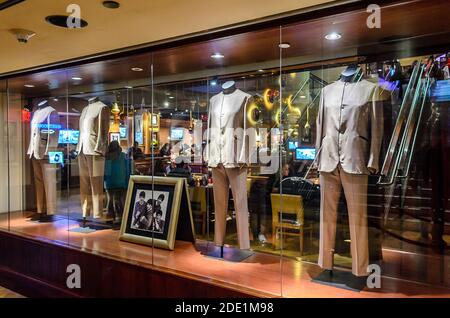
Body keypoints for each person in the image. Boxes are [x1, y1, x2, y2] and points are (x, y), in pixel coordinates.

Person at [104, 140, 130, 221]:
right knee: (118, 199)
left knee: (110, 199)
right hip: (121, 182)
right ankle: (120, 217)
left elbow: (106, 171)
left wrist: (104, 180)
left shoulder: (107, 157)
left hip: (109, 182)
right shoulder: (124, 156)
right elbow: (128, 169)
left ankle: (110, 216)